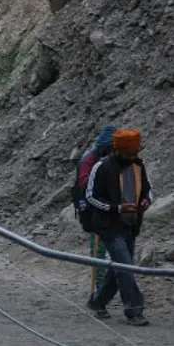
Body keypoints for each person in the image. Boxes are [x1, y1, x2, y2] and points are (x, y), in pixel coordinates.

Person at [85, 130, 153, 326]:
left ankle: (98, 302)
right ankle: (134, 310)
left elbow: (147, 189)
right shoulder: (102, 167)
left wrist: (146, 201)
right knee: (125, 267)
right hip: (109, 226)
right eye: (130, 154)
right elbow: (90, 197)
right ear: (118, 151)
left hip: (131, 224)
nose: (133, 157)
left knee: (120, 268)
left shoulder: (138, 165)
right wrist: (116, 208)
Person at [77, 125, 117, 296]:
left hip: (114, 212)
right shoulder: (89, 160)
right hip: (95, 213)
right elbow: (84, 185)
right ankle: (98, 291)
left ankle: (106, 289)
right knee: (98, 253)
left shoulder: (115, 160)